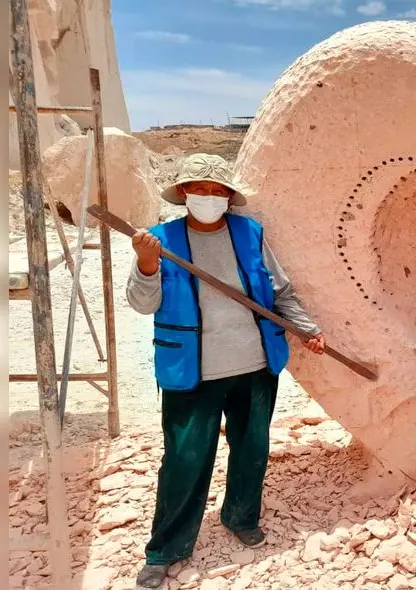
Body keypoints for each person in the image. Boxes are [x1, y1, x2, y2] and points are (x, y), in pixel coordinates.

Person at [126, 153, 325, 588]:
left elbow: (280, 291)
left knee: (251, 448)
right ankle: (166, 548)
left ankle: (240, 516)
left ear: (229, 198)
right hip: (191, 371)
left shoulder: (249, 233)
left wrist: (306, 328)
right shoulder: (159, 241)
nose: (209, 197)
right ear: (183, 194)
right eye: (200, 190)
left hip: (254, 365)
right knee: (183, 458)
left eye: (218, 191)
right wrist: (145, 264)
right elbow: (142, 304)